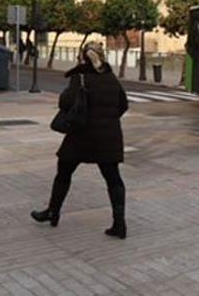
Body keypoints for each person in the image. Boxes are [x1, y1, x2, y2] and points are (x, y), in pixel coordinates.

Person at [31, 42, 130, 239]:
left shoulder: (81, 77)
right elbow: (123, 105)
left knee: (64, 172)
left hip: (81, 136)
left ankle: (53, 211)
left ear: (83, 57)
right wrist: (108, 120)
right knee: (113, 179)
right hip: (108, 137)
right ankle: (119, 224)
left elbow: (66, 102)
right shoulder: (111, 78)